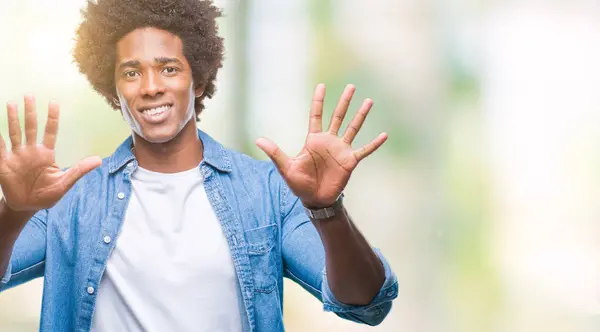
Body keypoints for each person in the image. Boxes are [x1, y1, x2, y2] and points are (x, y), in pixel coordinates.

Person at [0, 0, 398, 331]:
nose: (151, 85)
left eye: (169, 68)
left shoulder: (267, 193)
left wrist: (327, 211)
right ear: (114, 92)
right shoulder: (70, 201)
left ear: (200, 81)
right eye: (131, 72)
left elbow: (367, 302)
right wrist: (14, 210)